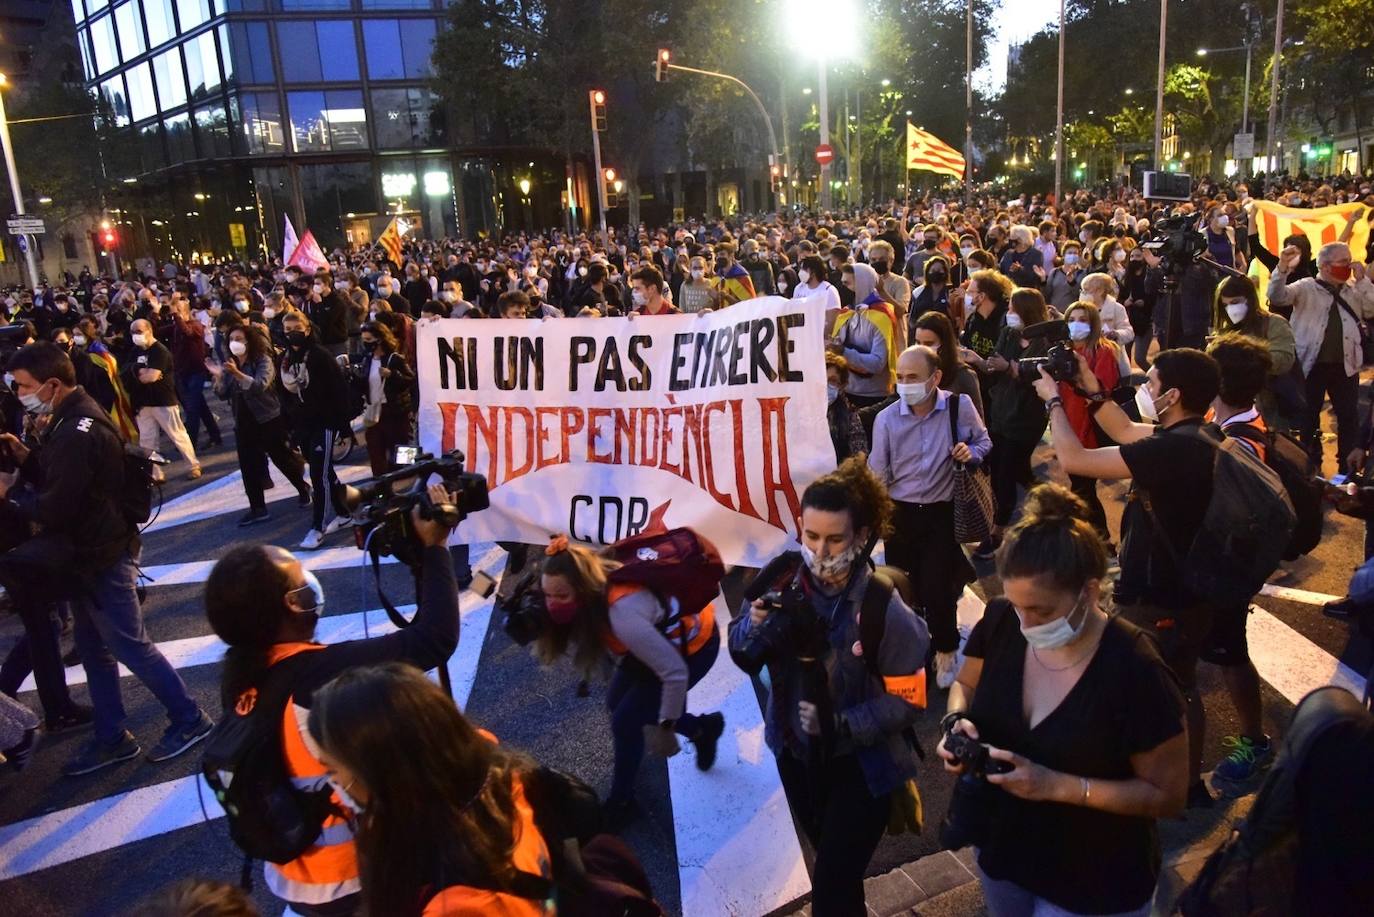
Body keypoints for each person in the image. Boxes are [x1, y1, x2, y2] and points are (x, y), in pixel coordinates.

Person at [204, 483, 460, 915]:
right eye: (300, 586)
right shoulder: (319, 675)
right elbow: (433, 640)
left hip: (293, 876)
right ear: (290, 606)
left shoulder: (243, 678)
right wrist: (435, 547)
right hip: (356, 877)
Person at [941, 483, 1186, 917]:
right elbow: (966, 683)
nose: (1026, 623)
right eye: (1017, 605)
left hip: (1094, 880)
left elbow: (1166, 795)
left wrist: (1057, 786)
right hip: (1003, 853)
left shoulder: (1135, 668)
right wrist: (956, 720)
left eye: (1041, 611)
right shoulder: (1000, 620)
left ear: (1088, 592)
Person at [729, 457, 929, 917]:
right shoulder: (780, 578)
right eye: (811, 536)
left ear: (861, 537)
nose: (820, 551)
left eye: (835, 539)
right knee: (838, 876)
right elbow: (740, 645)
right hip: (795, 755)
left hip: (862, 768)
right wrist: (754, 624)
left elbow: (910, 700)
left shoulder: (883, 610)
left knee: (832, 889)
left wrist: (838, 724)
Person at [1, 342, 214, 776]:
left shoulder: (76, 430)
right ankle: (112, 735)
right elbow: (67, 483)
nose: (19, 394)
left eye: (23, 386)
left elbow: (56, 506)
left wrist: (11, 494)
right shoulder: (71, 419)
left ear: (52, 384)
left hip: (101, 555)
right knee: (94, 648)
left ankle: (190, 717)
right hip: (88, 556)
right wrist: (30, 460)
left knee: (129, 645)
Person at [1032, 345, 1222, 808]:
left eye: (1151, 382)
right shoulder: (1200, 434)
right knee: (1183, 685)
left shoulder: (1170, 449)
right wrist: (1087, 386)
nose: (1144, 387)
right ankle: (1188, 784)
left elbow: (1074, 460)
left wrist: (1053, 400)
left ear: (1173, 395)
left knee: (1134, 685)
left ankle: (1144, 786)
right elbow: (1122, 429)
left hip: (1156, 596)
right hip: (1193, 590)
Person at [307, 663, 562, 917]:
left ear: (381, 776)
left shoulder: (458, 905)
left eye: (332, 771)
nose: (333, 786)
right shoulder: (501, 782)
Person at [532, 535, 725, 823]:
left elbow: (674, 673)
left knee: (625, 722)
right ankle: (702, 729)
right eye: (547, 595)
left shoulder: (621, 614)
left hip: (693, 649)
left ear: (582, 590)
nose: (552, 604)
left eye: (561, 596)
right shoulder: (593, 583)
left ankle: (621, 801)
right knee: (617, 704)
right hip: (659, 642)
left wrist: (666, 727)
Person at [869, 345, 991, 689]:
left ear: (935, 377)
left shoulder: (958, 407)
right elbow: (877, 473)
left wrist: (971, 452)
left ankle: (946, 651)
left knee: (937, 587)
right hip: (900, 514)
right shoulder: (886, 419)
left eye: (913, 377)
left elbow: (984, 442)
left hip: (941, 513)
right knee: (903, 587)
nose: (905, 384)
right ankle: (913, 645)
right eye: (901, 377)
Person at [1200, 333, 1275, 791]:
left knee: (1230, 654)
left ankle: (1255, 741)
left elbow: (1229, 512)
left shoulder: (1241, 441)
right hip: (1215, 564)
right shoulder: (1225, 419)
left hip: (1226, 567)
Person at [1267, 241, 1374, 468]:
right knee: (1309, 417)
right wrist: (1282, 268)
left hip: (1346, 365)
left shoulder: (1353, 289)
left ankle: (1346, 467)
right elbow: (1277, 296)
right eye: (1343, 262)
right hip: (1311, 365)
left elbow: (1371, 308)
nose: (1349, 265)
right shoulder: (1306, 287)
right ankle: (1309, 464)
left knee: (1349, 417)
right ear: (1325, 266)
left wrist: (1363, 281)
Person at [208, 323, 312, 527]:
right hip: (243, 420)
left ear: (249, 341)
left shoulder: (262, 360)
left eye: (239, 339)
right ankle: (258, 508)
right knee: (248, 466)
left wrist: (237, 374)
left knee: (282, 458)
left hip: (267, 418)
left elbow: (259, 385)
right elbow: (223, 394)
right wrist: (219, 378)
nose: (235, 343)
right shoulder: (232, 363)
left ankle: (303, 488)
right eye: (232, 339)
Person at [979, 288, 1054, 559]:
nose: (1009, 313)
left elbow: (1038, 376)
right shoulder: (1009, 334)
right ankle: (1050, 502)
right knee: (1016, 469)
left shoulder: (1044, 343)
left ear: (1027, 311)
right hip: (1001, 410)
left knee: (1005, 474)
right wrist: (983, 362)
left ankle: (997, 531)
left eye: (1013, 309)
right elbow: (995, 362)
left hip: (1026, 418)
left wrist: (1010, 367)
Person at [280, 312, 353, 550]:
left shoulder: (320, 356)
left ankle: (317, 527)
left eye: (297, 328)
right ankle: (344, 513)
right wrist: (289, 427)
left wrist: (343, 426)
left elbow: (339, 391)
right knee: (325, 471)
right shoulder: (285, 359)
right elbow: (284, 396)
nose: (292, 333)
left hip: (325, 422)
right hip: (303, 425)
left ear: (308, 329)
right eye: (287, 329)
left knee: (318, 476)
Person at [1057, 301, 1122, 546]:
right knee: (1080, 487)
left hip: (1089, 430)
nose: (1076, 324)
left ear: (1093, 323)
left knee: (1082, 488)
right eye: (1072, 319)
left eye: (1083, 320)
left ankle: (1101, 539)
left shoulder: (1102, 351)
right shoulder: (1062, 351)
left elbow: (1102, 391)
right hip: (1069, 425)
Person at [1212, 274, 1299, 432]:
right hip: (1230, 412)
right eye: (1226, 305)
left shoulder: (1273, 323)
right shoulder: (1224, 330)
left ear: (1249, 299)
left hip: (1269, 409)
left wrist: (1241, 354)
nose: (1231, 309)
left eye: (1235, 302)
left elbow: (1284, 359)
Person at [126, 318, 202, 480]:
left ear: (149, 331)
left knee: (177, 435)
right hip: (142, 403)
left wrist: (137, 372)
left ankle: (193, 466)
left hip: (162, 400)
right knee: (147, 441)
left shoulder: (159, 351)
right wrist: (139, 372)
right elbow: (126, 372)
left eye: (139, 331)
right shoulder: (134, 351)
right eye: (132, 332)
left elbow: (151, 377)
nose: (135, 335)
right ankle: (156, 474)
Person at [349, 321, 416, 476]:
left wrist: (392, 375)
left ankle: (408, 477)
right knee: (375, 449)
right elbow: (364, 384)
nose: (365, 344)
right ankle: (380, 482)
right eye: (363, 340)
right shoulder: (367, 359)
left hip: (395, 411)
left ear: (379, 339)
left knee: (401, 447)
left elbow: (410, 380)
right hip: (374, 410)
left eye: (369, 340)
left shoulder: (395, 358)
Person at [170, 297, 222, 450]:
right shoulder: (177, 327)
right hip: (183, 373)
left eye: (178, 311)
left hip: (196, 373)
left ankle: (190, 443)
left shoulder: (197, 325)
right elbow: (157, 330)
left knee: (192, 409)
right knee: (201, 406)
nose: (175, 315)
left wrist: (177, 316)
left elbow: (188, 333)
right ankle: (215, 436)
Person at [912, 310, 983, 417]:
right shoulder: (911, 372)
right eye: (918, 342)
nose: (922, 348)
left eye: (929, 343)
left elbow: (976, 421)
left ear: (944, 344)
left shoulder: (963, 376)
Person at [825, 352, 867, 463]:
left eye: (832, 380)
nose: (825, 385)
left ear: (842, 385)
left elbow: (858, 459)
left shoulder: (850, 417)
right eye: (822, 378)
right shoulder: (800, 412)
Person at [306, 270, 351, 357]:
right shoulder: (315, 300)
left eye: (318, 283)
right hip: (321, 341)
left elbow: (328, 321)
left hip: (336, 342)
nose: (315, 286)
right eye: (314, 283)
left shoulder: (337, 301)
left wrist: (319, 304)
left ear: (326, 284)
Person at [998, 225, 1045, 289]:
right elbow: (1002, 270)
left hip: (1026, 291)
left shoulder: (1036, 254)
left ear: (1022, 240)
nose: (1010, 240)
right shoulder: (1008, 253)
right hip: (1009, 289)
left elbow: (1034, 276)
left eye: (1013, 238)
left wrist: (1020, 270)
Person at [1044, 240, 1084, 314]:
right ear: (1064, 255)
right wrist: (1042, 280)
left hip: (1071, 313)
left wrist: (1072, 283)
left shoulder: (1081, 273)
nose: (1072, 255)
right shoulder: (1055, 272)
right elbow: (1047, 293)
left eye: (1075, 253)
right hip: (1054, 312)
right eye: (1070, 253)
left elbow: (1080, 294)